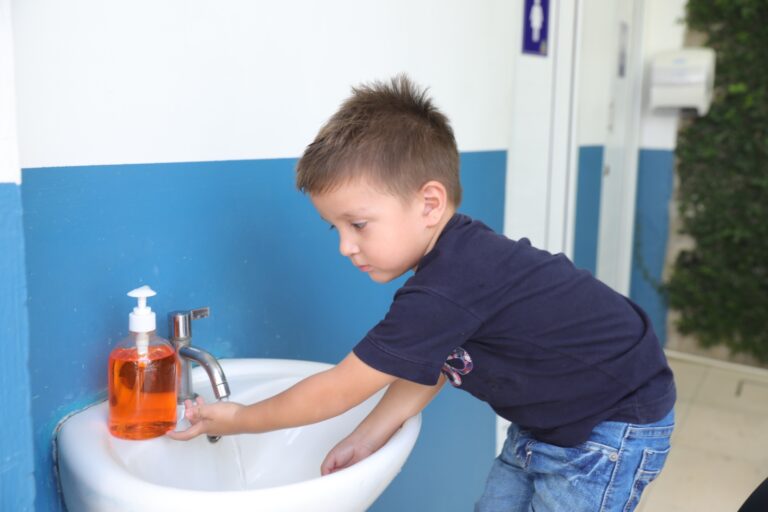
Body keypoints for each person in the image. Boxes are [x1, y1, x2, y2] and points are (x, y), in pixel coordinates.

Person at [168, 74, 676, 511]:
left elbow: (339, 388)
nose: (345, 246)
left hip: (610, 425)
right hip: (550, 419)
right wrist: (368, 435)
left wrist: (241, 419)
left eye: (358, 224)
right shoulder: (453, 266)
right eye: (335, 229)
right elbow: (433, 362)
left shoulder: (450, 284)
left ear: (430, 204)